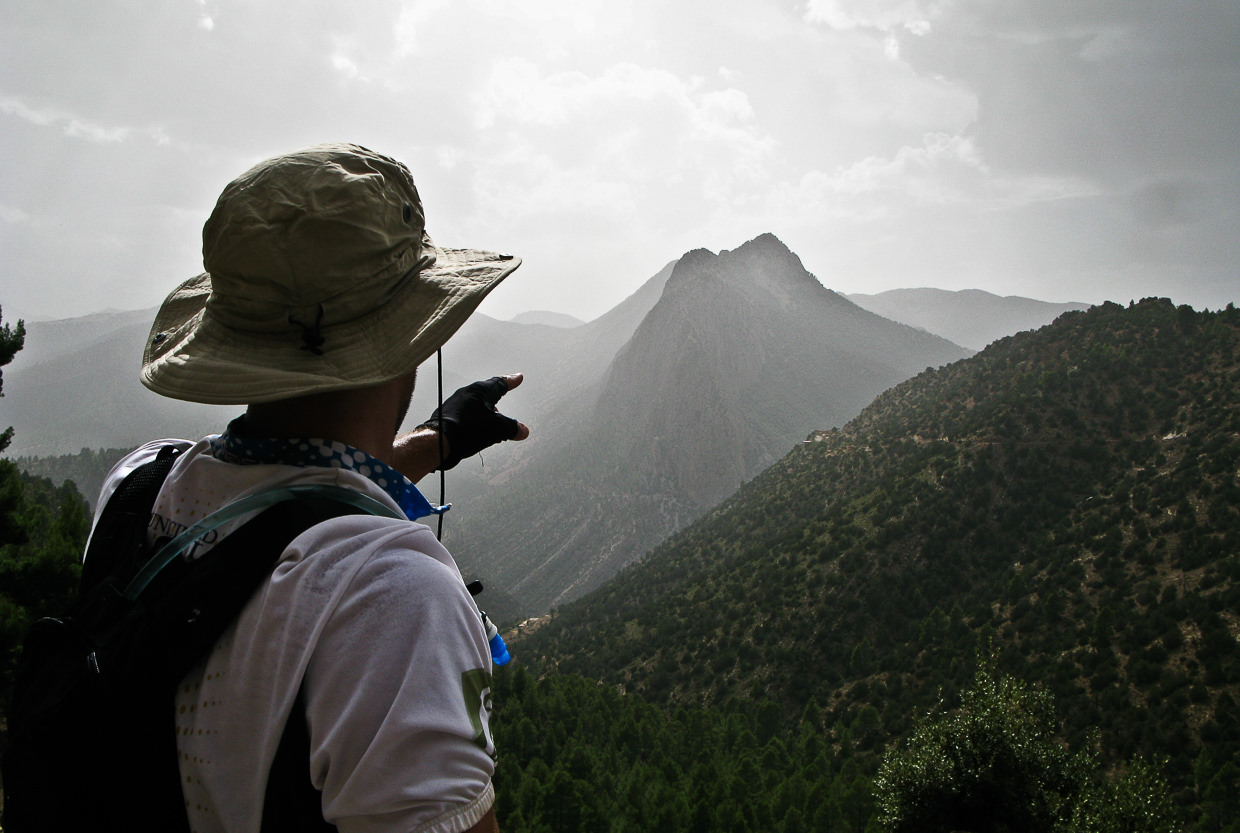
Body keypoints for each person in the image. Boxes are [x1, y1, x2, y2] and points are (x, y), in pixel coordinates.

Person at [97, 143, 528, 832]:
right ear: (412, 336)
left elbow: (276, 487)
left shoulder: (137, 487)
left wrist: (429, 444)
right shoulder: (393, 598)